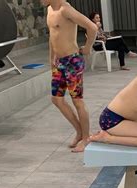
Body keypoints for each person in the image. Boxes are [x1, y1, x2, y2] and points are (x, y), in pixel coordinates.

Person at [43, 0, 98, 152]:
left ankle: (86, 138)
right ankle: (80, 131)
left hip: (72, 62)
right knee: (57, 99)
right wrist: (51, 57)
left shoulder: (65, 10)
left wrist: (87, 48)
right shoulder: (49, 10)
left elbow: (92, 27)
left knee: (77, 101)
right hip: (59, 62)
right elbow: (53, 36)